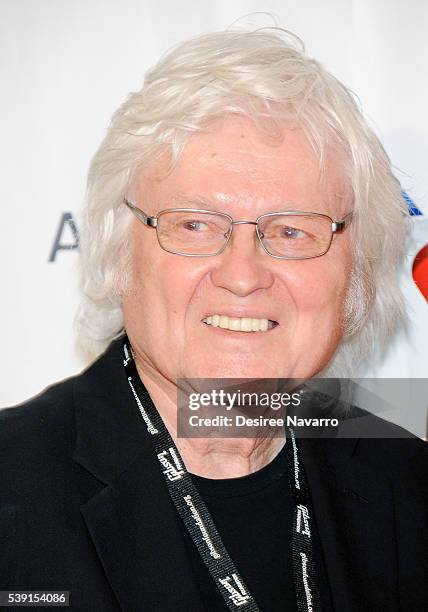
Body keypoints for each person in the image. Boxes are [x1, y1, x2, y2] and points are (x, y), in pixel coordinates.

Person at [1, 27, 426, 612]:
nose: (244, 274)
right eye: (196, 225)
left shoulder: (410, 485)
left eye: (293, 230)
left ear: (354, 278)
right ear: (119, 252)